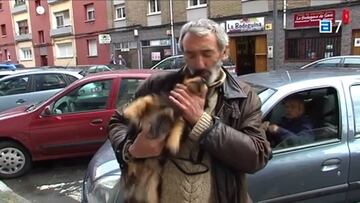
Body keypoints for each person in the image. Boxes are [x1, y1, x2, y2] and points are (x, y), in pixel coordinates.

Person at [108, 18, 271, 203]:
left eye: (207, 53)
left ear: (224, 52)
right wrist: (130, 149)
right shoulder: (158, 86)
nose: (199, 63)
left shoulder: (243, 96)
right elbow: (118, 121)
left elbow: (256, 157)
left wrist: (202, 123)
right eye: (191, 55)